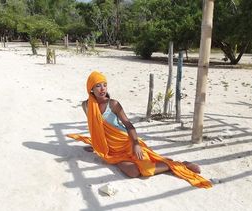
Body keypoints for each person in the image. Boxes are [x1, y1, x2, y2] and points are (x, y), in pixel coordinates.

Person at [67, 71, 212, 188]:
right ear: (90, 88)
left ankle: (179, 164)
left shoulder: (113, 104)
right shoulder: (86, 106)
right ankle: (163, 164)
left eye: (105, 85)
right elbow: (96, 128)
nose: (103, 89)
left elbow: (128, 125)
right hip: (111, 150)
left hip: (127, 143)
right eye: (98, 85)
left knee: (147, 169)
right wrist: (95, 144)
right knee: (133, 172)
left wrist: (136, 143)